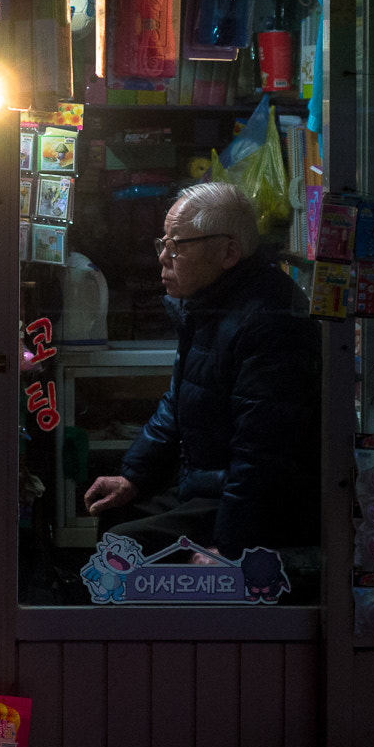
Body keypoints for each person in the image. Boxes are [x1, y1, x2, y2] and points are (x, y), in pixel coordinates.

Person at [83, 182, 319, 561]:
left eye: (177, 246)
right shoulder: (209, 305)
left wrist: (231, 549)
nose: (163, 258)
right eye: (163, 243)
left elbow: (262, 455)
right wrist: (133, 477)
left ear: (228, 252)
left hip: (262, 507)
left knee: (126, 544)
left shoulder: (270, 320)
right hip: (209, 487)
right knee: (115, 517)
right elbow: (178, 401)